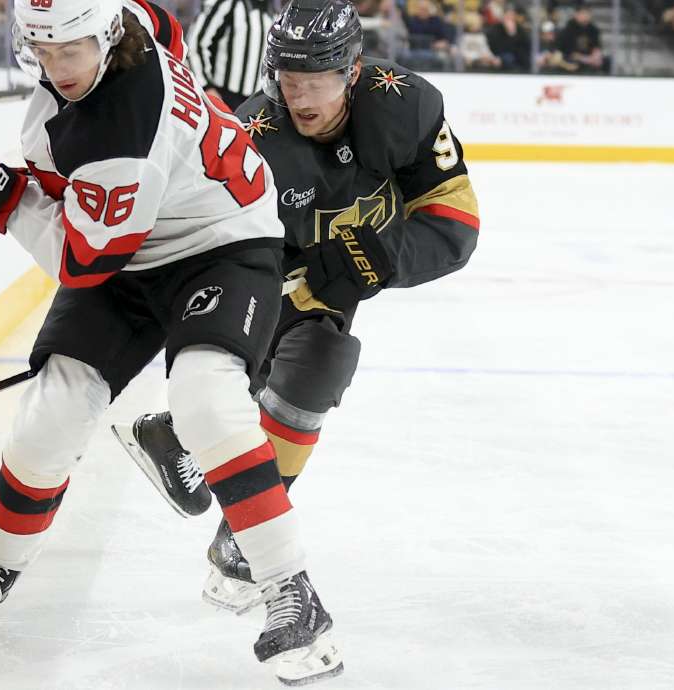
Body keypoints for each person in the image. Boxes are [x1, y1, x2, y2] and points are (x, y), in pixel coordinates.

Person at [0, 0, 343, 684]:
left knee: (206, 398)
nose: (58, 68)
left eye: (71, 49)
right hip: (135, 239)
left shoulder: (121, 126)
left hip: (220, 243)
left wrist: (0, 198)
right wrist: (10, 187)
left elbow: (83, 261)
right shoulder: (130, 19)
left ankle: (294, 590)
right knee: (51, 413)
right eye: (43, 51)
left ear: (108, 35)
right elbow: (164, 29)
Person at [116, 0, 479, 614]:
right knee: (312, 358)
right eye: (288, 81)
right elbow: (207, 239)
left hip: (344, 268)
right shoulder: (253, 139)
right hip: (263, 261)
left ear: (354, 72)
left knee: (319, 359)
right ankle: (225, 501)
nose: (301, 97)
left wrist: (388, 259)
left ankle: (198, 468)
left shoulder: (408, 105)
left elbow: (455, 220)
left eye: (316, 81)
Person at [188, 0, 274, 110]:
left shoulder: (272, 8)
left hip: (254, 101)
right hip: (222, 96)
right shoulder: (226, 3)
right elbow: (195, 45)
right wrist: (206, 87)